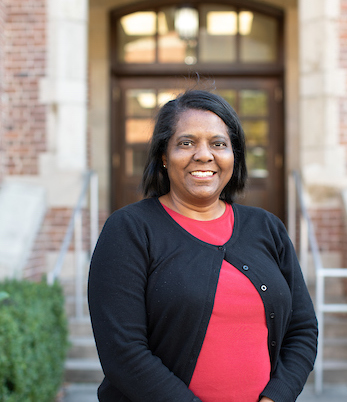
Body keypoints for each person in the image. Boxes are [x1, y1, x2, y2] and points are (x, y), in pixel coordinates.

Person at [88, 89, 318, 402]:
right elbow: (123, 352)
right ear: (164, 156)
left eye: (218, 144)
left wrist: (276, 397)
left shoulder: (266, 227)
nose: (204, 155)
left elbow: (302, 329)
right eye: (186, 142)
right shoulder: (130, 230)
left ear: (233, 156)